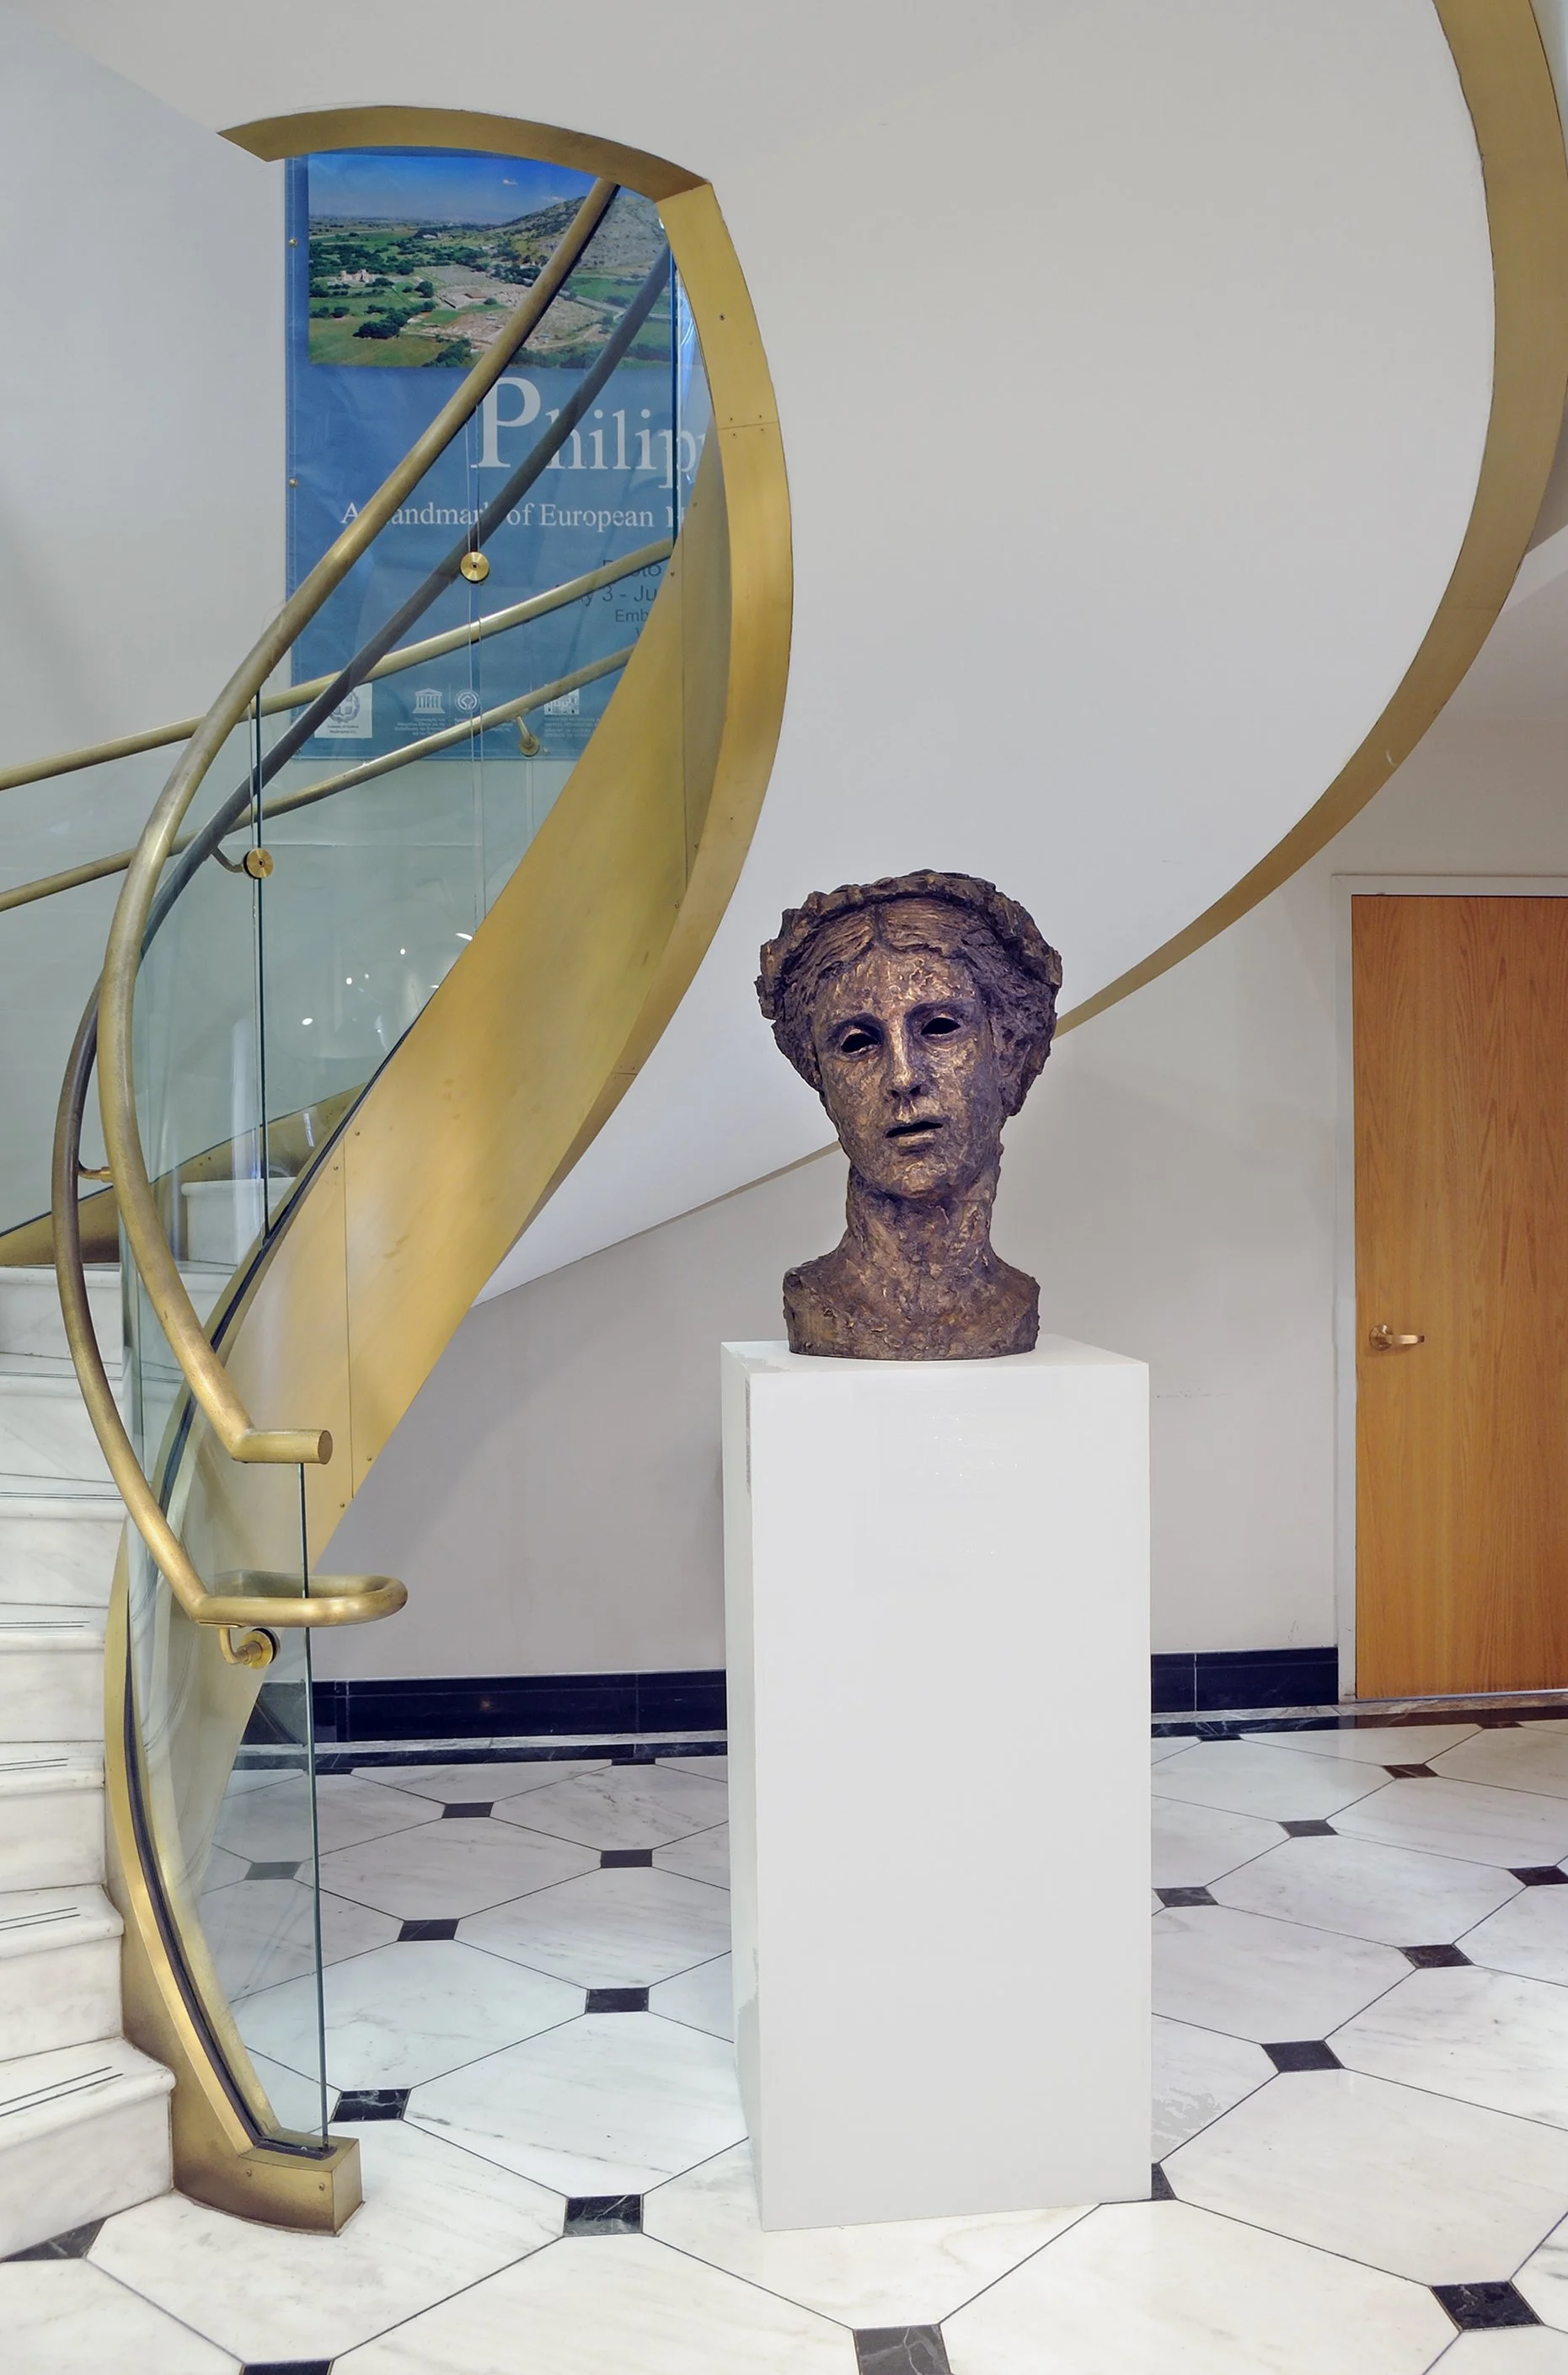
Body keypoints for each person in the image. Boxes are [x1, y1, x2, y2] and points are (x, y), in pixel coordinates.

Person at [756, 870, 1062, 1358]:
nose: (902, 1076)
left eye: (939, 1028)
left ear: (1010, 1052)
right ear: (821, 1079)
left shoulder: (1013, 1302)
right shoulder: (817, 1299)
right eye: (857, 1043)